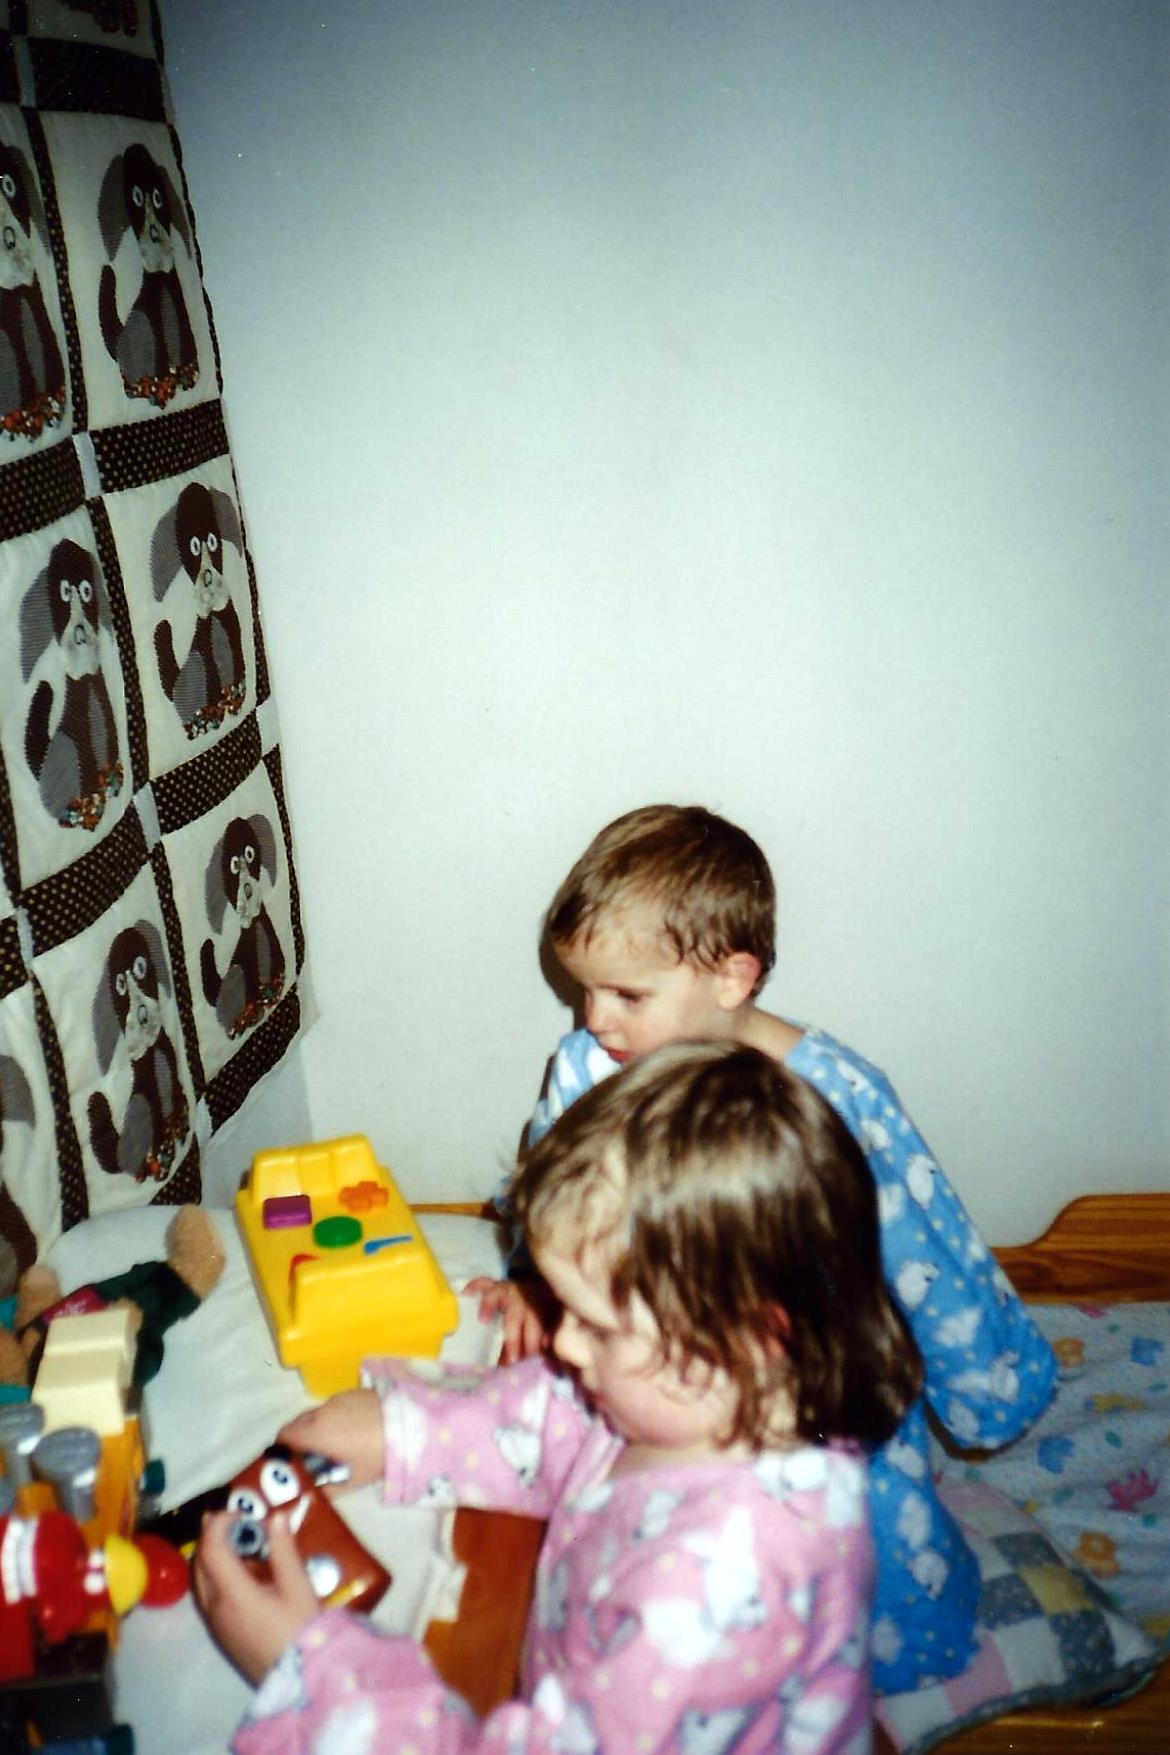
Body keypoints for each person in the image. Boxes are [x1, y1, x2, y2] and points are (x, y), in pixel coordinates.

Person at [469, 804, 1058, 1694]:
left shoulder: (835, 1095)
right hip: (657, 1371)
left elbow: (926, 1246)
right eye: (584, 990)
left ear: (732, 976)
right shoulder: (589, 1069)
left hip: (806, 1386)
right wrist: (530, 1280)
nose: (595, 1018)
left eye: (627, 995)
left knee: (856, 1536)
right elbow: (552, 1191)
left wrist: (986, 1386)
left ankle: (859, 1655)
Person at [195, 1042, 922, 1755]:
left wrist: (310, 1676)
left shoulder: (718, 1595)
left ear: (751, 1339)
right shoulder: (704, 1400)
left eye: (598, 1327)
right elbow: (561, 1419)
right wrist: (403, 1431)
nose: (565, 1345)